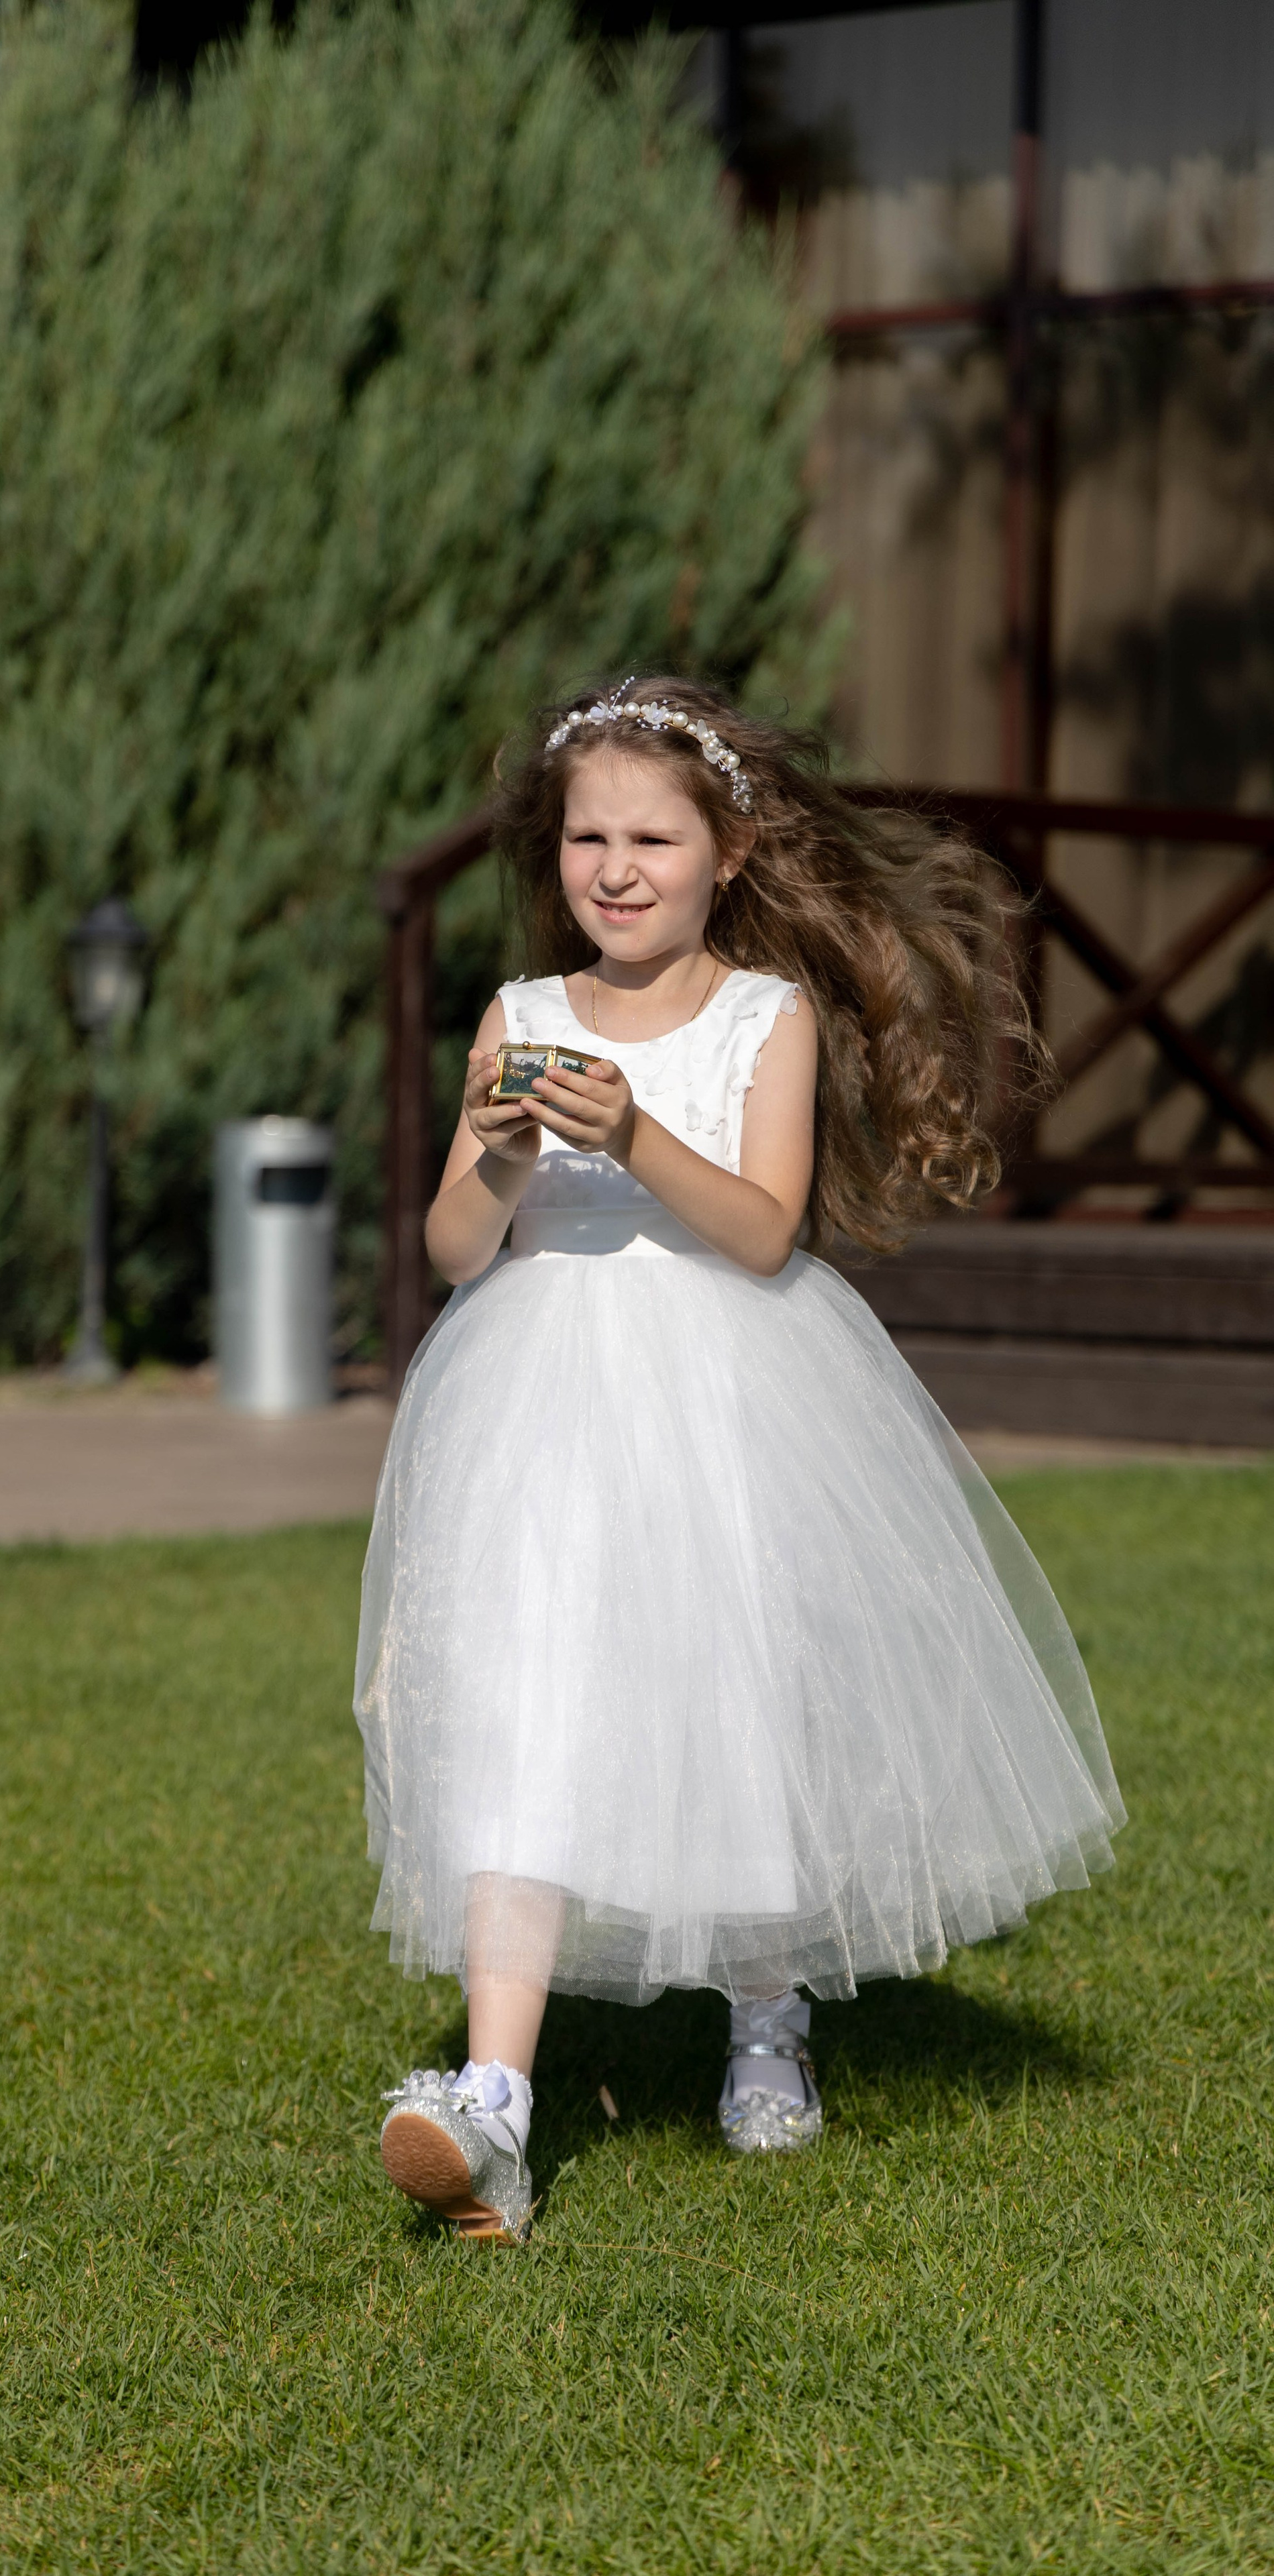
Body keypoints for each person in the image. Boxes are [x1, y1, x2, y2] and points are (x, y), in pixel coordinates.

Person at [357, 675, 1125, 2244]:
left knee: (730, 1691)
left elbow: (764, 1232)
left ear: (729, 850)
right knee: (523, 1701)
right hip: (533, 1400)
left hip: (721, 1388)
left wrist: (633, 1137)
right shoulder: (519, 1015)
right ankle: (495, 2100)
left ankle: (766, 2017)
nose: (615, 869)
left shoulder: (764, 1018)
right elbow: (450, 1247)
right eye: (586, 838)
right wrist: (500, 1152)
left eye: (651, 839)